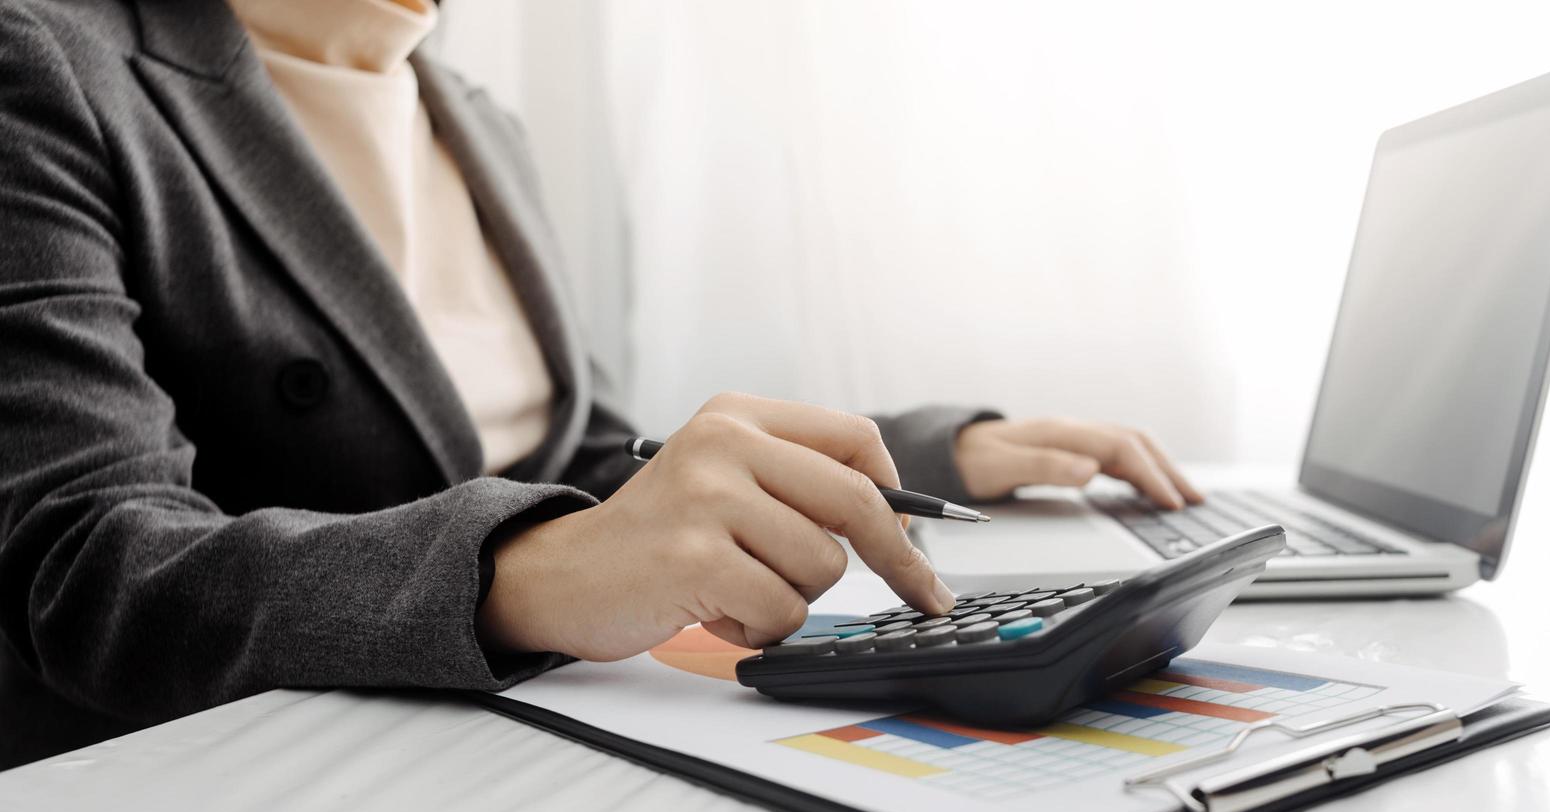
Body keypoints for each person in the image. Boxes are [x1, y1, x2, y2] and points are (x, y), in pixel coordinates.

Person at [0, 0, 1200, 770]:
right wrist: (522, 572)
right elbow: (83, 562)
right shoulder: (48, 59)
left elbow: (591, 457)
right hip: (218, 796)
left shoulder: (478, 120)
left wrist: (913, 455)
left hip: (501, 750)